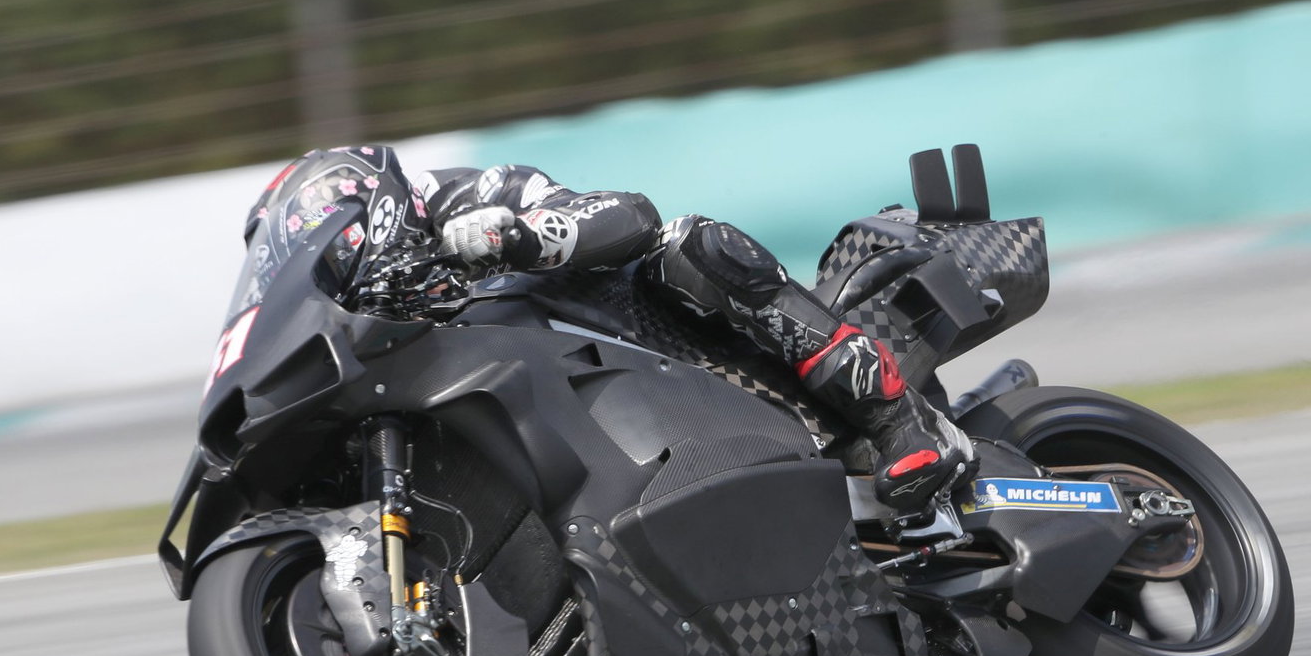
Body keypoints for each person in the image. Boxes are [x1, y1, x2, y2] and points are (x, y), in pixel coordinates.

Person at [254, 146, 975, 512]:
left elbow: (627, 214)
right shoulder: (378, 333)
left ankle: (898, 422)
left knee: (691, 244)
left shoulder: (469, 196)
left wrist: (517, 239)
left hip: (660, 348)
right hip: (583, 449)